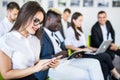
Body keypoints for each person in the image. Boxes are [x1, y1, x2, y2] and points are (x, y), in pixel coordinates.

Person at [35, 8, 104, 80]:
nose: (59, 25)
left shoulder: (56, 34)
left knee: (95, 63)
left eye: (60, 22)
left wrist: (73, 55)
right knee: (86, 75)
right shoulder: (39, 34)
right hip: (52, 67)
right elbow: (36, 61)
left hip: (65, 60)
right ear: (48, 19)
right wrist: (55, 56)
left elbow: (64, 47)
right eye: (58, 22)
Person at [0, 1, 59, 80]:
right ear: (24, 16)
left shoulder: (35, 40)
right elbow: (6, 75)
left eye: (40, 23)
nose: (38, 26)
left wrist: (49, 64)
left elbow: (36, 65)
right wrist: (34, 69)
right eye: (36, 21)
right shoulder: (6, 40)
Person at [64, 12, 120, 80]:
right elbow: (67, 45)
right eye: (80, 20)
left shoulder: (79, 30)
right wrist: (80, 50)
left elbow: (84, 45)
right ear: (73, 20)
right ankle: (115, 73)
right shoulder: (69, 30)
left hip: (85, 50)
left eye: (82, 20)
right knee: (106, 55)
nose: (81, 22)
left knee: (104, 65)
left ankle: (109, 77)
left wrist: (93, 49)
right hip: (80, 53)